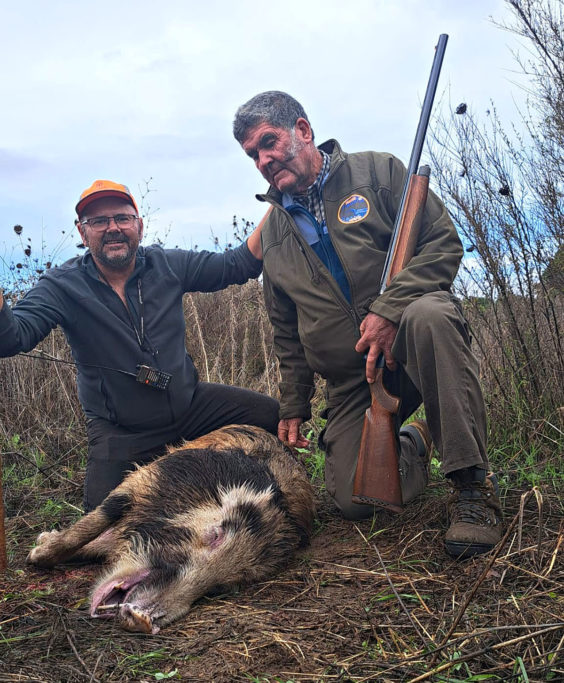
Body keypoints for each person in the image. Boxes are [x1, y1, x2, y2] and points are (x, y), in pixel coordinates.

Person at [233, 91, 503, 559]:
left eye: (269, 142)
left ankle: (473, 490)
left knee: (431, 313)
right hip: (355, 379)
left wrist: (389, 310)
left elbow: (442, 245)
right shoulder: (272, 234)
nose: (264, 159)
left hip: (418, 348)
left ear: (303, 130)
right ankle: (413, 443)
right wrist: (293, 405)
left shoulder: (380, 173)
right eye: (253, 154)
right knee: (357, 503)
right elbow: (286, 333)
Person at [0, 180, 279, 511]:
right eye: (98, 221)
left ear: (139, 225)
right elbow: (14, 338)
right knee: (99, 529)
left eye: (122, 218)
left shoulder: (167, 264)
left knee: (271, 414)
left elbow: (239, 264)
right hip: (122, 432)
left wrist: (281, 198)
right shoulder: (61, 286)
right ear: (81, 232)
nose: (113, 228)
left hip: (190, 409)